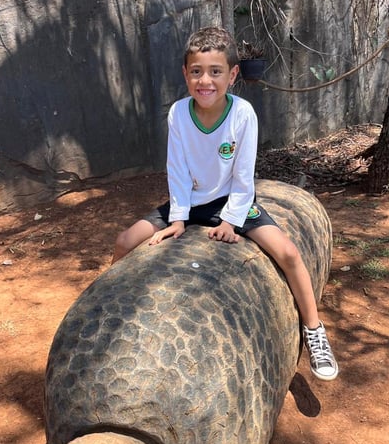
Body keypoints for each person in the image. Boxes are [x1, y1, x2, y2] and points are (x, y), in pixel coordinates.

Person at [112, 26, 338, 381]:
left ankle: (314, 330)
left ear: (232, 75)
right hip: (190, 201)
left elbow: (244, 176)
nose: (205, 81)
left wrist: (231, 221)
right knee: (124, 241)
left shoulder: (243, 114)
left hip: (231, 200)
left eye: (215, 71)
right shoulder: (178, 113)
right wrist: (178, 218)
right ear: (185, 73)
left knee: (289, 254)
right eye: (197, 71)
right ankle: (112, 314)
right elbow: (177, 168)